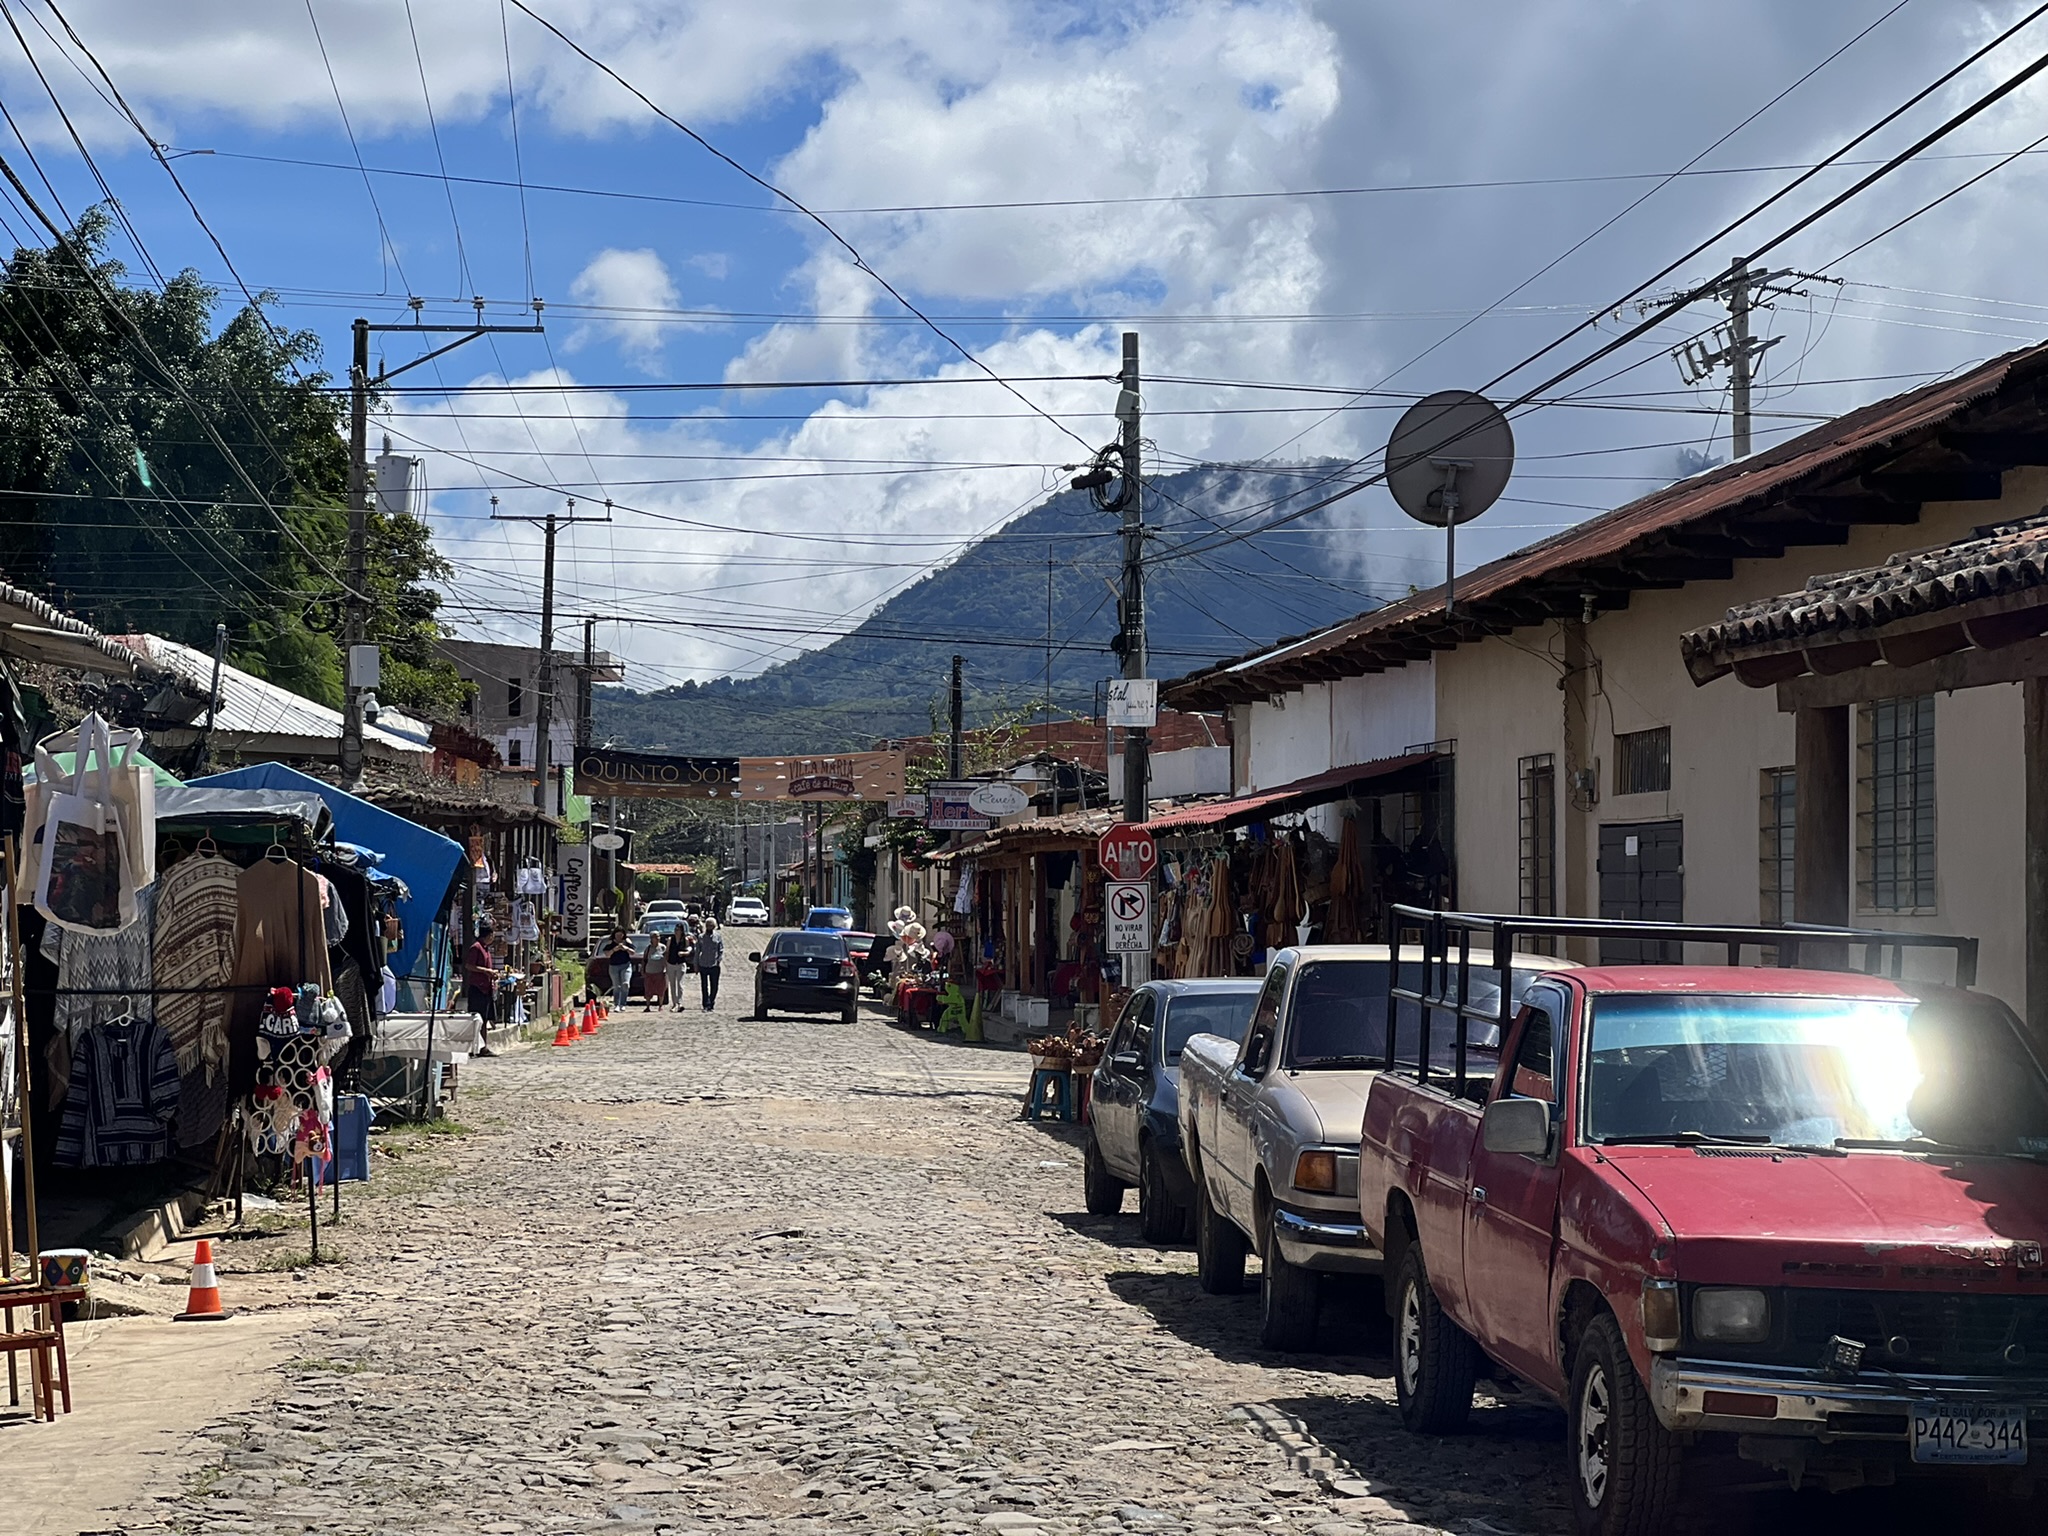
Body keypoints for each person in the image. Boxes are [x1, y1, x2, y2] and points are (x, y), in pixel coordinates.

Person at [464, 920, 499, 1053]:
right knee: (477, 1019)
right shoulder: (476, 947)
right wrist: (486, 971)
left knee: (485, 1019)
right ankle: (474, 1047)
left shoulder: (486, 949)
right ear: (488, 935)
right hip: (477, 988)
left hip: (486, 988)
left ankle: (483, 1047)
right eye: (492, 935)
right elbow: (469, 966)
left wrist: (492, 974)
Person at [692, 919, 724, 1011]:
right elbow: (697, 951)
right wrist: (696, 965)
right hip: (703, 964)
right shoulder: (701, 937)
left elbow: (721, 949)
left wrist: (718, 960)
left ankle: (711, 1002)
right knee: (704, 986)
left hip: (714, 965)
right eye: (708, 925)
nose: (710, 927)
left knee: (714, 986)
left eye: (711, 925)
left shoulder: (718, 936)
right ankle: (705, 1004)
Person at [640, 927, 668, 1011]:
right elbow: (644, 960)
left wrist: (666, 969)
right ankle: (648, 1006)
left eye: (658, 936)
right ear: (651, 938)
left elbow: (666, 958)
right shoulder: (648, 948)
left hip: (660, 972)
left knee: (661, 990)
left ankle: (660, 1005)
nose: (657, 938)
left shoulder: (663, 947)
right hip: (649, 972)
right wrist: (642, 970)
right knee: (648, 990)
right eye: (655, 936)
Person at [607, 931, 635, 1010]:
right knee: (617, 986)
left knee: (625, 984)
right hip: (614, 966)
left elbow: (633, 952)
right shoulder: (611, 943)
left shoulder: (627, 941)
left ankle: (623, 1004)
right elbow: (607, 954)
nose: (619, 936)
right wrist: (614, 950)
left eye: (620, 934)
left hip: (626, 965)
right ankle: (617, 1004)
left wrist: (626, 948)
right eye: (617, 934)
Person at [665, 927, 690, 1009]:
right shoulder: (670, 939)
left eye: (678, 930)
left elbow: (688, 950)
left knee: (680, 984)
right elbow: (667, 951)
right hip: (671, 963)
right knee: (672, 984)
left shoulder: (685, 939)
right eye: (675, 930)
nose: (676, 931)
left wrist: (683, 953)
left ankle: (680, 1003)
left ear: (681, 931)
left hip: (681, 963)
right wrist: (666, 963)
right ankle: (674, 1003)